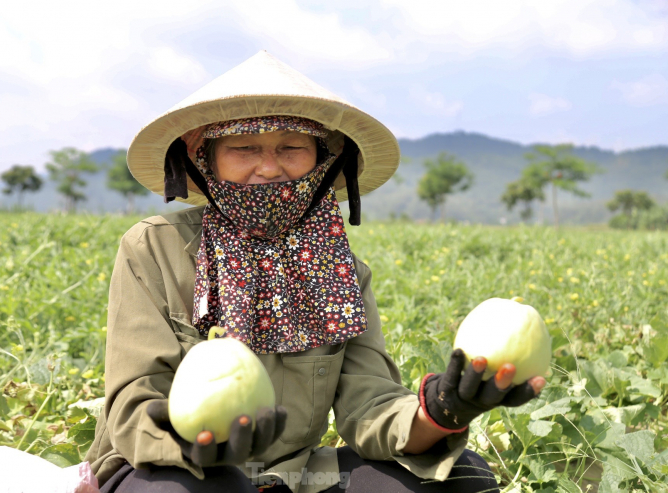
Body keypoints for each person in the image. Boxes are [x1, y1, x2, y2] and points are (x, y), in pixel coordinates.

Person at [84, 51, 547, 493]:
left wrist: (444, 410)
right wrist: (197, 443)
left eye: (291, 147)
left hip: (299, 479)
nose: (270, 167)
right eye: (244, 147)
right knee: (202, 491)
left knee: (462, 478)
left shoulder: (340, 269)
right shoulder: (154, 248)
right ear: (204, 158)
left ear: (322, 159)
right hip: (172, 472)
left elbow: (371, 407)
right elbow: (133, 405)